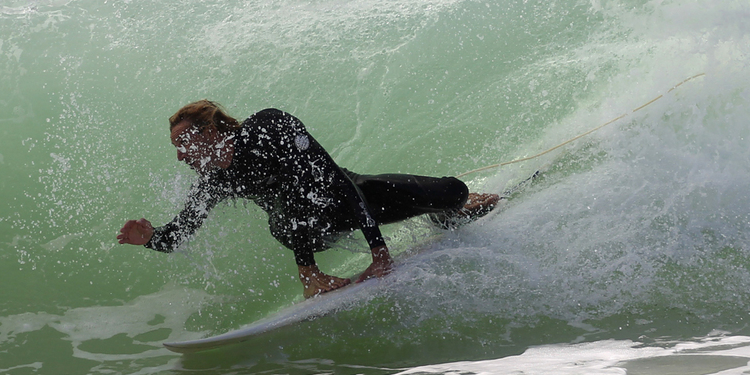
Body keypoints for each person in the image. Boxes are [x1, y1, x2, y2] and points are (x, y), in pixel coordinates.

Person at [117, 100, 499, 298]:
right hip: (303, 229)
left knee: (453, 192)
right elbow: (179, 233)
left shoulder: (269, 128)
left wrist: (380, 254)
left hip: (348, 198)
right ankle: (312, 275)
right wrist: (149, 238)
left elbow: (333, 177)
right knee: (287, 210)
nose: (180, 157)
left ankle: (449, 213)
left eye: (183, 145)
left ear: (208, 131)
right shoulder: (213, 179)